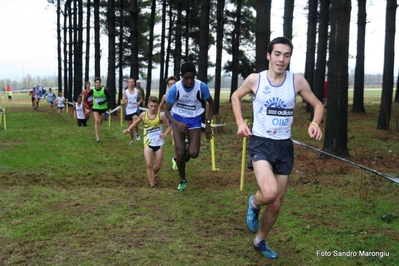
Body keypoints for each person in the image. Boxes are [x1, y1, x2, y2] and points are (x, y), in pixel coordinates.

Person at [231, 37, 324, 259]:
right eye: (278, 54)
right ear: (268, 55)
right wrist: (241, 122)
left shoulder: (297, 82)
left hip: (284, 146)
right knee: (270, 193)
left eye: (287, 55)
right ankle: (253, 203)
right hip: (261, 143)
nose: (282, 60)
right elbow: (235, 96)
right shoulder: (256, 80)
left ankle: (260, 240)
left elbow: (318, 104)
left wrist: (314, 123)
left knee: (275, 204)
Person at [164, 61, 214, 191]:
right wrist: (176, 123)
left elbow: (211, 103)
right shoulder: (175, 88)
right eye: (186, 78)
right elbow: (166, 111)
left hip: (195, 119)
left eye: (192, 77)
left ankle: (187, 146)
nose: (190, 81)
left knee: (193, 153)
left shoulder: (201, 86)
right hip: (177, 118)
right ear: (181, 76)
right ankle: (182, 179)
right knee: (180, 153)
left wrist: (208, 123)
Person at [123, 96, 172, 188]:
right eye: (151, 106)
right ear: (147, 106)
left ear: (158, 106)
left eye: (155, 106)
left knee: (157, 166)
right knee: (149, 164)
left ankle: (153, 175)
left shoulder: (161, 115)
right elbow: (136, 122)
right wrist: (128, 129)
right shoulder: (143, 115)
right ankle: (152, 184)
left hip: (158, 143)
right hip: (148, 143)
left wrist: (165, 133)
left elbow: (169, 126)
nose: (153, 108)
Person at [159, 76, 178, 170]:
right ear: (168, 86)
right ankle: (176, 159)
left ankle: (178, 157)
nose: (172, 85)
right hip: (170, 120)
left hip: (181, 119)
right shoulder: (165, 96)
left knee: (181, 141)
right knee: (176, 138)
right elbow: (160, 107)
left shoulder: (180, 94)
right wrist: (158, 118)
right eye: (170, 84)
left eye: (174, 83)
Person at [85, 77, 109, 142]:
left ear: (100, 83)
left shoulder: (104, 90)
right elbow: (86, 98)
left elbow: (109, 97)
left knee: (101, 122)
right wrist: (90, 104)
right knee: (96, 121)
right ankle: (97, 137)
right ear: (95, 83)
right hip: (95, 107)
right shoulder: (93, 91)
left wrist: (103, 101)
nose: (98, 84)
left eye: (99, 82)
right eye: (96, 83)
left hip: (103, 108)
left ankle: (100, 122)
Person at [122, 78, 143, 144]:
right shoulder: (125, 92)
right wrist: (124, 102)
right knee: (130, 126)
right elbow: (122, 102)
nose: (131, 84)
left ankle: (137, 133)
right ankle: (132, 140)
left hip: (135, 109)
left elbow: (141, 99)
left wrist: (139, 102)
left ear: (134, 83)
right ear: (127, 83)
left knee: (135, 120)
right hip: (128, 110)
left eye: (132, 82)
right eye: (130, 82)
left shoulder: (137, 91)